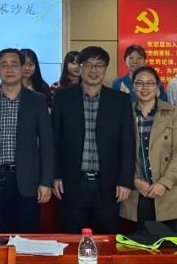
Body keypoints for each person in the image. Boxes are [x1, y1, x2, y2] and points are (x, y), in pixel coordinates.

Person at [51, 46, 135, 234]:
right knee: (72, 238)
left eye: (99, 65)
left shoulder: (120, 100)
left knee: (107, 240)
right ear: (80, 68)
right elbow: (54, 140)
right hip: (72, 182)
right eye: (88, 65)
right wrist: (55, 175)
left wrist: (125, 180)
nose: (93, 70)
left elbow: (128, 143)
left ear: (105, 69)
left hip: (109, 184)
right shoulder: (63, 98)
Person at [0, 48, 54, 234]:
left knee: (27, 236)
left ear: (22, 68)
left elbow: (47, 144)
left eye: (14, 64)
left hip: (28, 180)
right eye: (4, 65)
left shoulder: (37, 101)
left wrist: (46, 182)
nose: (9, 69)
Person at [120, 66, 177, 231]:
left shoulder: (172, 113)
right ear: (133, 86)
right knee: (137, 243)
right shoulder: (124, 112)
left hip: (168, 191)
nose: (144, 88)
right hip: (136, 192)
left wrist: (164, 183)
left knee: (168, 243)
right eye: (139, 83)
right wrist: (133, 180)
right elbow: (118, 152)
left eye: (150, 83)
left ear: (157, 86)